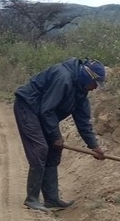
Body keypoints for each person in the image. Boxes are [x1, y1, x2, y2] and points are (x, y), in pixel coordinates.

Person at [13, 58, 107, 210]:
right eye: (95, 83)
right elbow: (47, 110)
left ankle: (51, 199)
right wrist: (56, 136)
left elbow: (83, 122)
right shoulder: (63, 78)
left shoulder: (80, 91)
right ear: (87, 76)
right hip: (28, 108)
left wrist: (94, 146)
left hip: (41, 113)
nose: (95, 88)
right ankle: (32, 198)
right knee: (40, 148)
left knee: (54, 149)